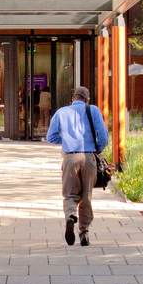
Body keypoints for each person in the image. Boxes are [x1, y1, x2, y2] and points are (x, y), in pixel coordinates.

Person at [44, 85, 108, 246]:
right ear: (87, 99)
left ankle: (71, 216)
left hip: (70, 158)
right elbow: (104, 137)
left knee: (70, 195)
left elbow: (50, 137)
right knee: (86, 196)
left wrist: (66, 141)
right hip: (88, 157)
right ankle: (84, 233)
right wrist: (96, 149)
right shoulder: (93, 110)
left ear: (73, 98)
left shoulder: (61, 112)